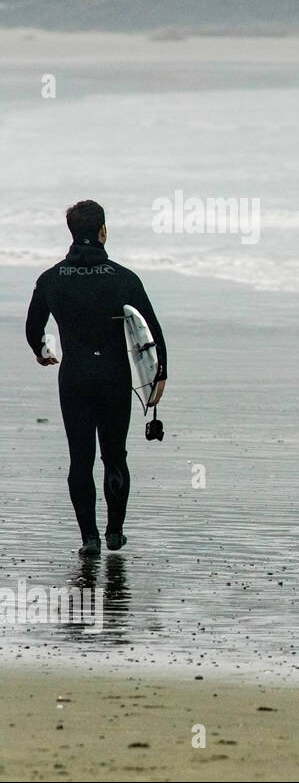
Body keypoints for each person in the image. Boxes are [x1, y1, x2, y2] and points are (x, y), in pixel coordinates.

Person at [25, 200, 168, 557]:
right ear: (103, 231)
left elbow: (33, 329)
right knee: (115, 457)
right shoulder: (123, 278)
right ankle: (115, 533)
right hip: (114, 377)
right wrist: (159, 375)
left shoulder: (50, 279)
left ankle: (89, 538)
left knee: (80, 459)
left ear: (72, 232)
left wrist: (44, 351)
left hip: (74, 376)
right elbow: (151, 331)